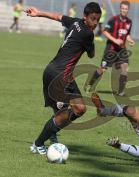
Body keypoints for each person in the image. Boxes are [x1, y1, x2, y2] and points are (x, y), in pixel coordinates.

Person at [25, 2, 102, 155]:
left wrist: (39, 12)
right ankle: (38, 143)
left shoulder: (75, 22)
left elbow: (58, 16)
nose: (95, 23)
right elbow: (92, 55)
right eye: (93, 19)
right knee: (78, 109)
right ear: (85, 17)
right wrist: (91, 45)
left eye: (97, 20)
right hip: (61, 74)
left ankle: (51, 136)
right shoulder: (88, 33)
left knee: (59, 111)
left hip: (51, 70)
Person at [85, 0, 135, 96]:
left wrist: (130, 40)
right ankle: (90, 84)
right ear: (120, 9)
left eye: (126, 9)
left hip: (122, 50)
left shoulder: (129, 22)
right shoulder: (113, 20)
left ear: (128, 10)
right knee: (102, 69)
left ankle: (121, 91)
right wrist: (115, 40)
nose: (124, 10)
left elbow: (127, 34)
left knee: (124, 68)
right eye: (123, 8)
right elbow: (105, 32)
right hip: (111, 49)